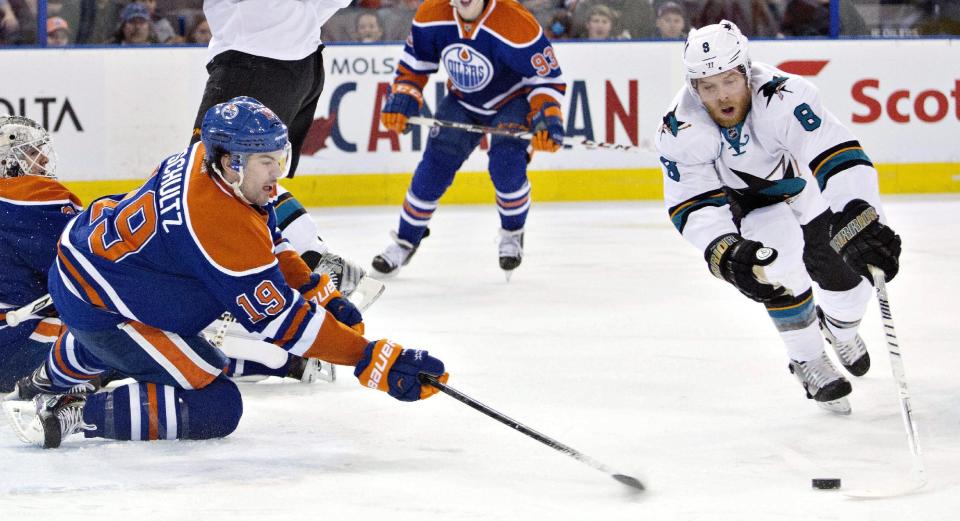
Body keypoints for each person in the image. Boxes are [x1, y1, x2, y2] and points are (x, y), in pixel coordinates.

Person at [4, 97, 449, 448]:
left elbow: (267, 232)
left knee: (174, 331)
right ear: (232, 162)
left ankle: (53, 374)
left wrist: (318, 292)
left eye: (280, 158)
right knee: (216, 405)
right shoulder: (216, 221)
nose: (276, 175)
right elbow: (285, 324)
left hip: (100, 275)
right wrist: (369, 358)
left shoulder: (204, 156)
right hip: (103, 306)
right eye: (265, 163)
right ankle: (74, 412)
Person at [655, 21, 901, 414]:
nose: (721, 97)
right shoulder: (680, 127)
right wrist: (722, 248)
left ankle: (841, 328)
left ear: (746, 72)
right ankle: (807, 358)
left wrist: (857, 214)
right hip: (747, 203)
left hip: (802, 185)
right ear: (693, 86)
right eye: (708, 86)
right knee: (777, 259)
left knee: (848, 280)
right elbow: (692, 201)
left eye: (729, 81)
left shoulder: (786, 96)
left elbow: (835, 152)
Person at [371, 0, 566, 279]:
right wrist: (404, 94)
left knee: (506, 166)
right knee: (433, 170)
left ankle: (512, 233)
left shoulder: (515, 21)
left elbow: (545, 78)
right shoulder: (431, 13)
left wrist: (548, 114)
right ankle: (404, 242)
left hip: (512, 102)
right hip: (462, 102)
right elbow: (416, 62)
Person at [192, 0, 367, 298]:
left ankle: (314, 259)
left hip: (255, 58)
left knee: (212, 173)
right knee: (242, 174)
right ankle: (314, 260)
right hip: (299, 63)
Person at [0, 117, 81, 392]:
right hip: (16, 346)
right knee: (119, 345)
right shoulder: (24, 198)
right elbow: (83, 263)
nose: (44, 160)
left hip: (8, 340)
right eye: (33, 153)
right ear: (8, 161)